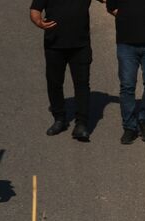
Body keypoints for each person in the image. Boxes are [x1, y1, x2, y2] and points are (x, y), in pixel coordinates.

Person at [29, 0, 93, 141]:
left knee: (82, 84)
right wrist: (39, 22)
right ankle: (59, 119)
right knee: (54, 83)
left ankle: (81, 124)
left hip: (80, 45)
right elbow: (35, 9)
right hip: (54, 45)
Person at [106, 0, 145, 144]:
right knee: (127, 86)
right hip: (126, 44)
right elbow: (111, 8)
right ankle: (130, 127)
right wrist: (128, 19)